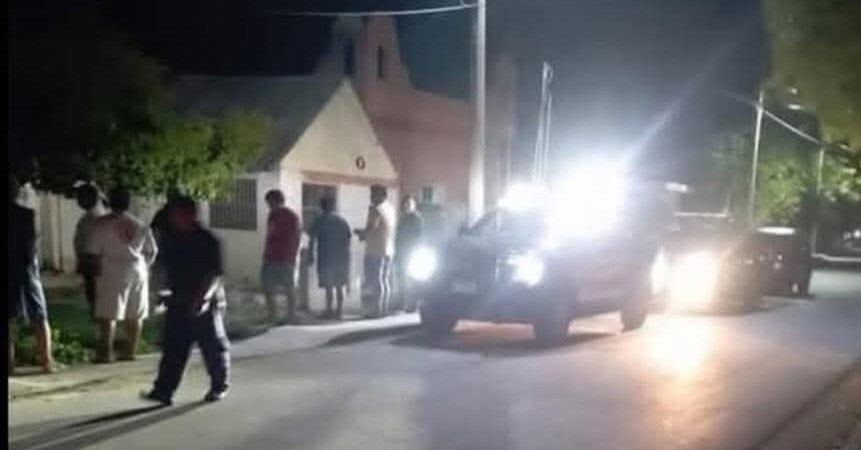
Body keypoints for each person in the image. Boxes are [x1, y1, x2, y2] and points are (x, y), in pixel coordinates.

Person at [142, 196, 230, 405]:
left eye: (177, 214)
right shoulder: (171, 240)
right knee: (173, 347)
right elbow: (162, 269)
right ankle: (164, 390)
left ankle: (219, 386)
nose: (174, 219)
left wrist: (203, 299)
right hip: (178, 299)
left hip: (206, 300)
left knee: (212, 347)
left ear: (190, 215)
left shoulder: (207, 241)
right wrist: (159, 293)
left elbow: (214, 275)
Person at [88, 187, 157, 363]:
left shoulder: (102, 224)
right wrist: (145, 266)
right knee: (135, 313)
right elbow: (152, 251)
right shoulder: (139, 224)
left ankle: (106, 353)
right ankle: (130, 351)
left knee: (109, 313)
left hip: (112, 269)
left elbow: (93, 250)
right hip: (137, 268)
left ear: (110, 202)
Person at [8, 174, 56, 375]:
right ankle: (46, 361)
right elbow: (31, 243)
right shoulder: (27, 215)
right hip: (26, 267)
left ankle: (10, 364)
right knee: (39, 315)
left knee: (9, 319)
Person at [355, 184, 396, 318]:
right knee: (384, 279)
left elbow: (371, 227)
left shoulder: (375, 209)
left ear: (382, 195)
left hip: (375, 249)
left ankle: (375, 310)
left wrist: (361, 234)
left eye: (373, 194)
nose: (371, 197)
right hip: (388, 249)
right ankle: (383, 309)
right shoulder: (390, 208)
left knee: (374, 280)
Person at [307, 196, 351, 319]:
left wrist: (310, 255)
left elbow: (312, 238)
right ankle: (339, 311)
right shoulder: (342, 221)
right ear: (334, 207)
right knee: (339, 285)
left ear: (321, 207)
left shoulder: (319, 220)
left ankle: (329, 310)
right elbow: (348, 238)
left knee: (328, 286)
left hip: (326, 257)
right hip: (341, 257)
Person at [262, 189, 301, 324]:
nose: (268, 205)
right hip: (288, 256)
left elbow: (271, 233)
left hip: (273, 255)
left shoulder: (274, 214)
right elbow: (298, 236)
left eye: (269, 202)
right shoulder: (293, 216)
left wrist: (266, 252)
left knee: (268, 287)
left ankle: (272, 316)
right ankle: (291, 316)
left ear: (273, 201)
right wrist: (294, 253)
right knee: (289, 288)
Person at [73, 183, 105, 318]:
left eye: (80, 198)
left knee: (96, 301)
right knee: (94, 300)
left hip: (93, 263)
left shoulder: (95, 218)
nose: (78, 201)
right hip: (89, 262)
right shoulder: (89, 217)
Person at [394, 196, 424, 313]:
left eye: (409, 204)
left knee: (412, 280)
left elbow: (419, 236)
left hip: (412, 252)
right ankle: (402, 302)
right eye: (405, 204)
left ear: (414, 205)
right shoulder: (403, 219)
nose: (407, 206)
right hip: (402, 252)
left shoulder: (417, 218)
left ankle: (412, 304)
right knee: (401, 279)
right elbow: (398, 236)